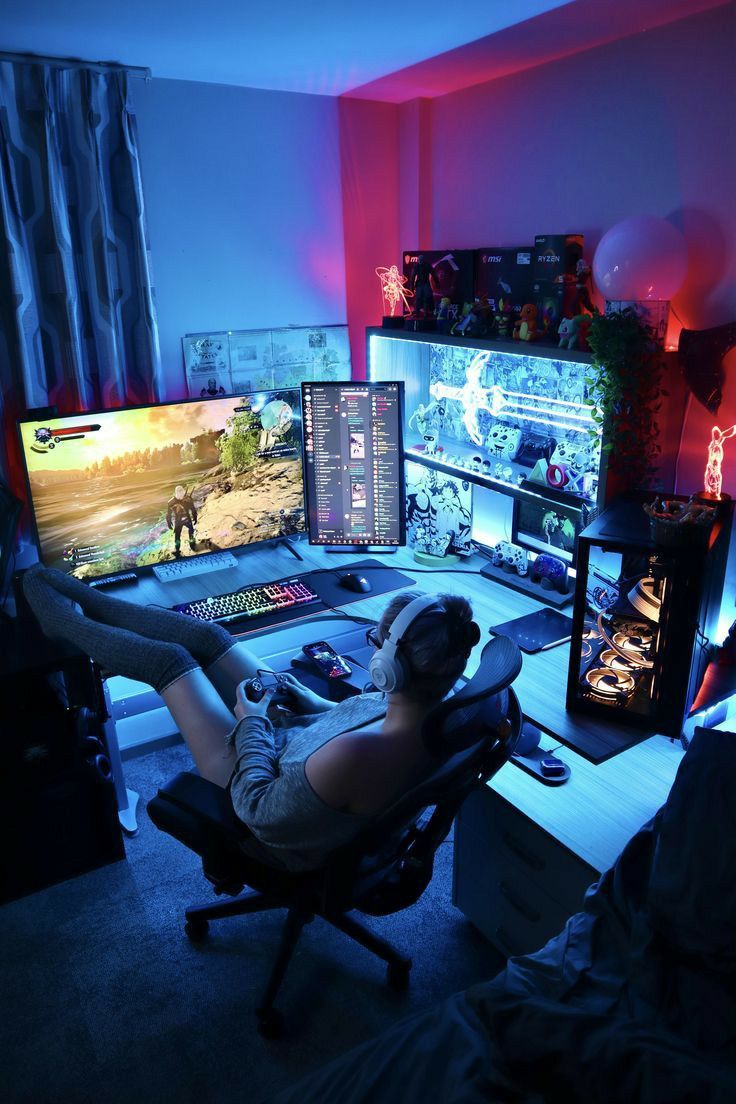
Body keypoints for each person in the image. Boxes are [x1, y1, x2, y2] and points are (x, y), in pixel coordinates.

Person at [22, 568, 481, 872]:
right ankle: (85, 599)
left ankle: (61, 622)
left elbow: (259, 808)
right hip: (304, 760)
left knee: (170, 662)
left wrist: (252, 722)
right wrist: (308, 702)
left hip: (252, 795)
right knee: (208, 635)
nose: (373, 645)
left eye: (376, 640)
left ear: (390, 666)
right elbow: (353, 716)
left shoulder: (360, 753)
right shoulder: (426, 709)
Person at [166, 485, 198, 556]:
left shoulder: (171, 502)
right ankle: (186, 546)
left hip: (180, 521)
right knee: (182, 534)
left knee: (180, 535)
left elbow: (169, 514)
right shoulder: (187, 499)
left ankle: (184, 546)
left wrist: (169, 522)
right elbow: (193, 510)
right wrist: (195, 518)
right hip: (183, 521)